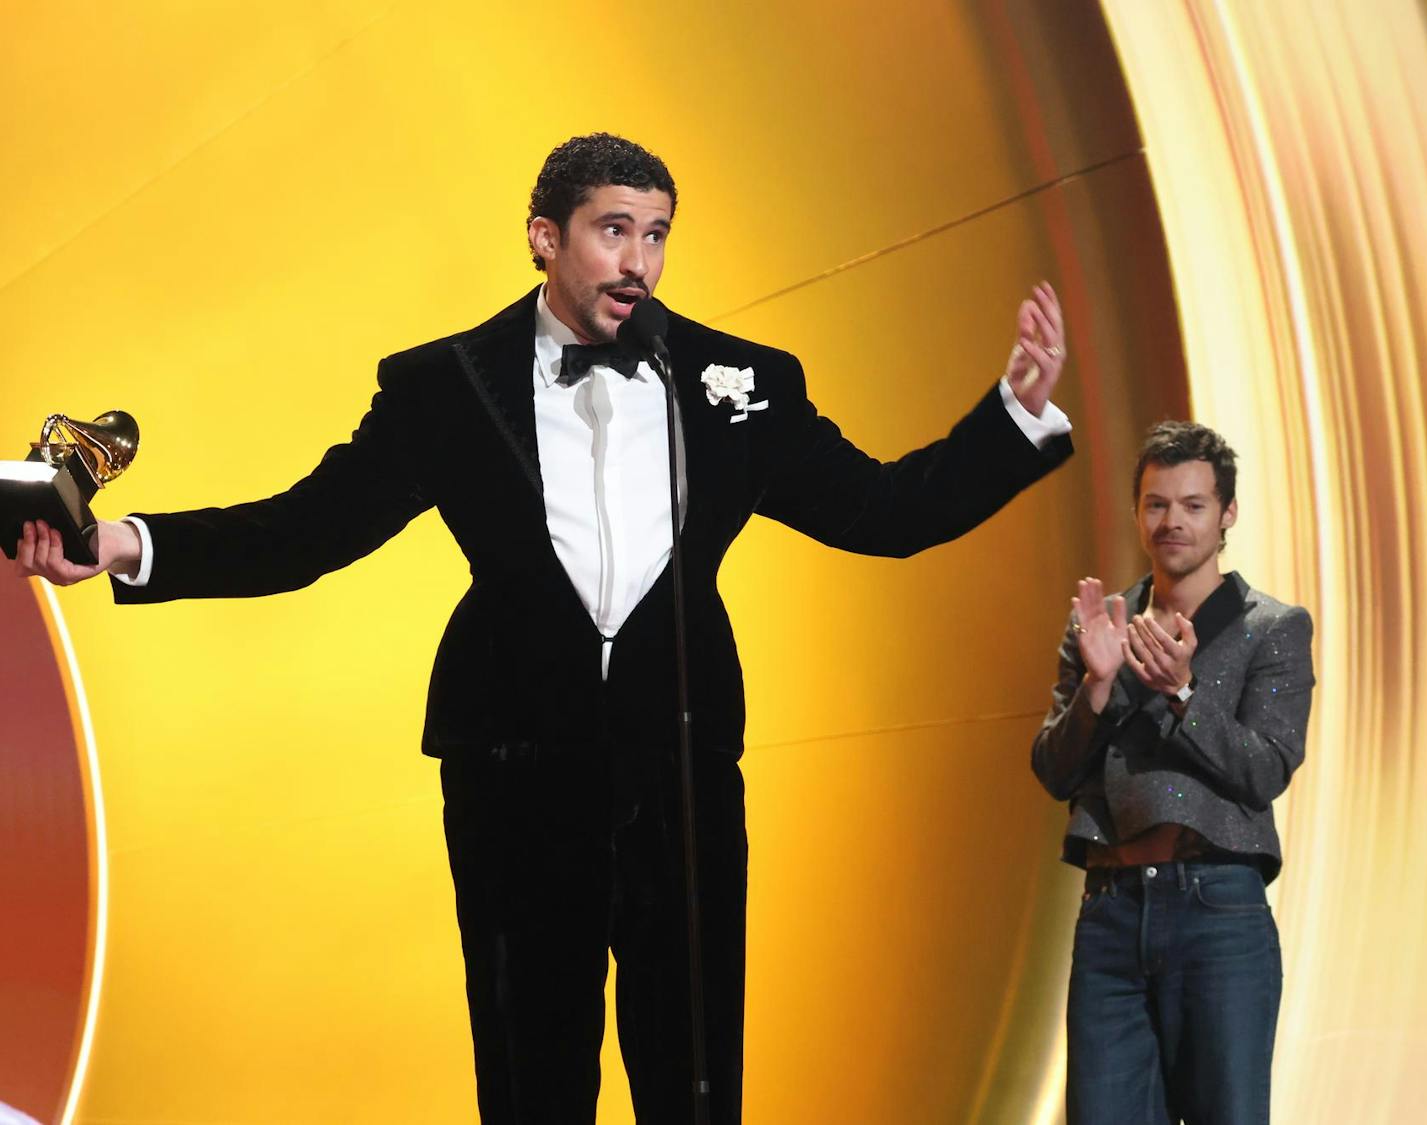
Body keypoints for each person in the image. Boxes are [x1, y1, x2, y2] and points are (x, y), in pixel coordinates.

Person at [16, 133, 1074, 1124]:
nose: (641, 261)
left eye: (657, 234)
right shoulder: (444, 386)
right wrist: (119, 542)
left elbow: (881, 514)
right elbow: (310, 532)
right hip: (514, 774)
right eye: (615, 229)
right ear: (545, 238)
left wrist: (1012, 417)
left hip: (683, 779)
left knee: (695, 1080)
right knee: (530, 1079)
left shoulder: (740, 383)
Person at [1031, 421, 1314, 1125]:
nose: (1173, 521)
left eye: (1193, 504)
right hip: (1110, 912)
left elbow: (1264, 769)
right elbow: (1053, 769)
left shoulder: (1270, 628)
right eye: (1157, 503)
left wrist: (1183, 694)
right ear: (1137, 512)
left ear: (1227, 515)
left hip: (1217, 908)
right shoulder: (1102, 624)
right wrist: (1097, 687)